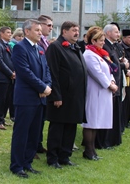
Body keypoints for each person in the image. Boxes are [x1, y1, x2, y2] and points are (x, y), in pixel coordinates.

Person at [9, 19, 52, 178]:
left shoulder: (39, 48)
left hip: (40, 99)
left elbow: (46, 70)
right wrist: (42, 87)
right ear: (27, 31)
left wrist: (47, 85)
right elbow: (25, 72)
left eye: (41, 30)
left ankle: (27, 162)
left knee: (35, 134)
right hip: (26, 98)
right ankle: (17, 165)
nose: (41, 33)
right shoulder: (20, 48)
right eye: (37, 30)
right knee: (22, 133)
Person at [46, 21, 87, 169]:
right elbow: (53, 73)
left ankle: (65, 156)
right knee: (58, 128)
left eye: (78, 30)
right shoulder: (55, 47)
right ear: (64, 32)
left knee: (70, 127)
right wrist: (56, 96)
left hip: (75, 96)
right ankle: (53, 158)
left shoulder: (75, 47)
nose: (77, 33)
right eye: (73, 30)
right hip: (62, 96)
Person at [81, 26, 118, 161]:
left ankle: (93, 150)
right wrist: (109, 85)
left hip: (103, 92)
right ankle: (88, 150)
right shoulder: (89, 54)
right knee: (91, 122)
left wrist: (112, 82)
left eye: (103, 40)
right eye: (100, 40)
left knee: (96, 122)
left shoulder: (100, 54)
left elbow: (109, 70)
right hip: (95, 91)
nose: (103, 42)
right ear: (93, 40)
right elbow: (97, 73)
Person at [95, 23, 128, 149]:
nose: (118, 34)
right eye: (116, 32)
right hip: (108, 86)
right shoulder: (106, 47)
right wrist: (123, 66)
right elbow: (109, 66)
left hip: (115, 83)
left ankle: (111, 139)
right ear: (108, 33)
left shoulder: (113, 46)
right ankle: (104, 141)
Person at [35, 15, 53, 157]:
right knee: (33, 120)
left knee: (41, 119)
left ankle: (38, 144)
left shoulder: (45, 42)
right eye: (49, 25)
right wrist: (42, 86)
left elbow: (47, 66)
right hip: (37, 88)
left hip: (45, 86)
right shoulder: (37, 43)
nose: (51, 28)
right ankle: (32, 146)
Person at [0, 26, 16, 130]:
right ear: (1, 33)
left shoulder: (8, 45)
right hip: (2, 78)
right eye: (8, 32)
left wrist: (14, 72)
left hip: (10, 78)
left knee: (7, 100)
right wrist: (10, 73)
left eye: (10, 32)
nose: (10, 34)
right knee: (1, 100)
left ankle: (2, 119)